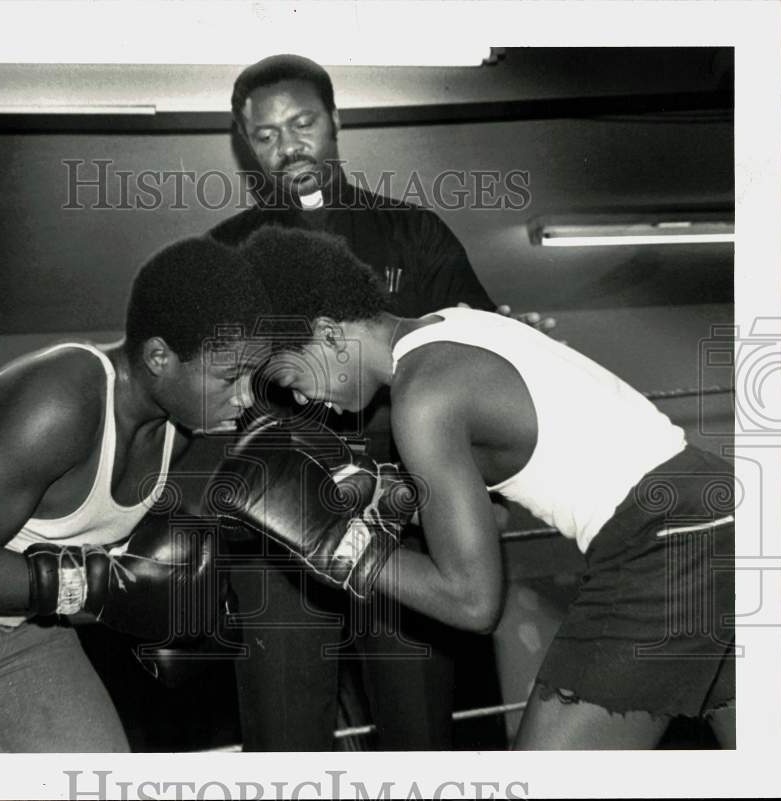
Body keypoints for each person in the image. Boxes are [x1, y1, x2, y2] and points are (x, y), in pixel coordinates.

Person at [222, 225, 735, 749]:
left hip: (667, 548)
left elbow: (472, 602)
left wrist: (338, 545)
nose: (311, 402)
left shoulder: (423, 397)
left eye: (293, 382)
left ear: (329, 334)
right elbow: (488, 518)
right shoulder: (458, 327)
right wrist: (379, 493)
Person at [0, 236, 272, 753]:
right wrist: (105, 588)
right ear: (160, 356)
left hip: (22, 622)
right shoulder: (60, 400)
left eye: (253, 375)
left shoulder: (179, 432)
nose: (246, 398)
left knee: (99, 779)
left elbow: (91, 563)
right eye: (231, 377)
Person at [207, 53, 516, 751]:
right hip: (280, 519)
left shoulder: (414, 233)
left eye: (303, 122)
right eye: (265, 135)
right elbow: (198, 390)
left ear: (336, 119)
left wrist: (479, 485)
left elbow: (486, 360)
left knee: (420, 737)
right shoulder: (225, 252)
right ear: (245, 145)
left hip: (406, 509)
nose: (288, 147)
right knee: (284, 739)